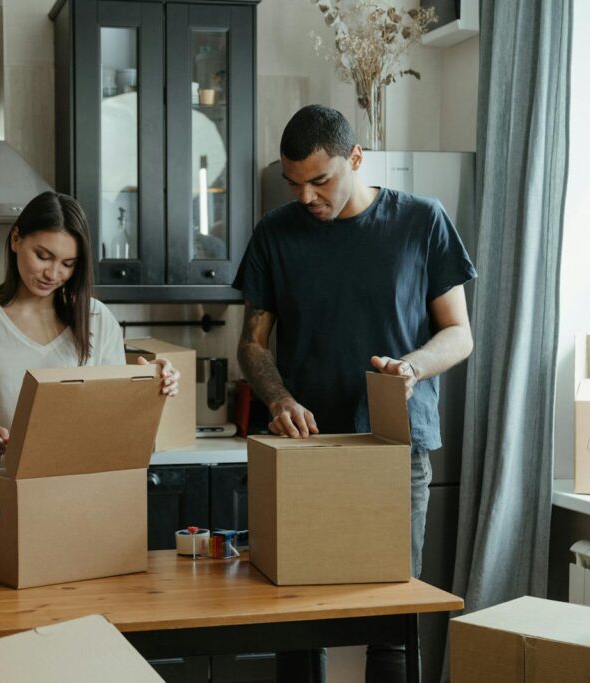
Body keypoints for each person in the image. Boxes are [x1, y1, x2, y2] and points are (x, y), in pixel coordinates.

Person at [234, 105, 476, 681]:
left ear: (357, 158)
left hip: (397, 447)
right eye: (296, 184)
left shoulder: (423, 220)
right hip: (307, 450)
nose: (308, 197)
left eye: (321, 180)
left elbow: (459, 333)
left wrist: (413, 368)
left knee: (391, 620)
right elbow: (253, 344)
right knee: (294, 618)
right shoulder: (275, 232)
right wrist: (279, 399)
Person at [0, 191, 180, 551]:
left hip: (75, 494)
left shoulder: (96, 318)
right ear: (16, 240)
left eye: (68, 264)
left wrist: (150, 382)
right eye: (43, 256)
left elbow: (114, 417)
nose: (53, 273)